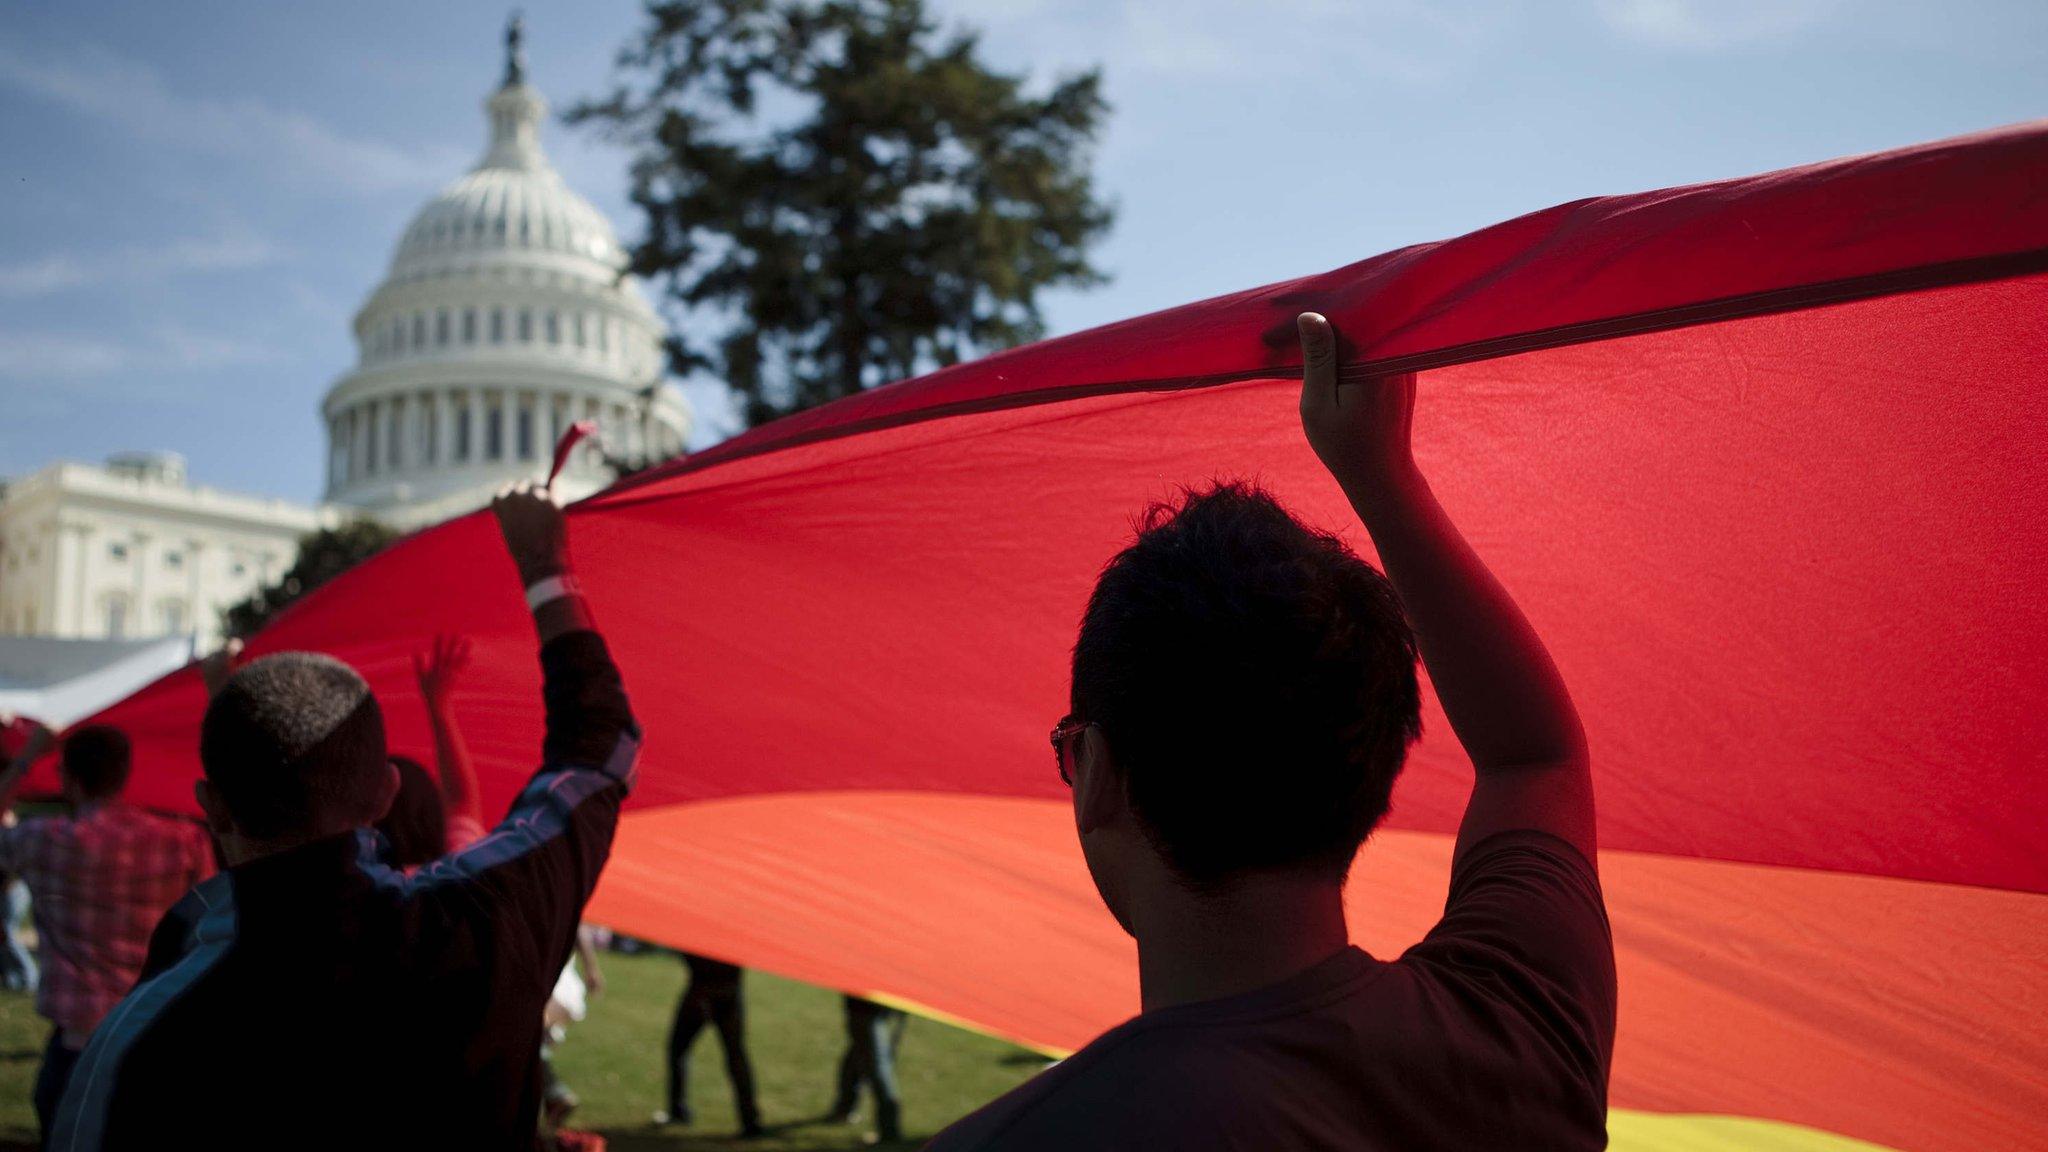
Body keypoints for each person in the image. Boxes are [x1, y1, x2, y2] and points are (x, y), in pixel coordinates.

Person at [928, 313, 1613, 1149]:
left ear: (1098, 768)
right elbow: (1532, 757)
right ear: (1370, 764)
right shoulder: (1519, 1035)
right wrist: (1383, 476)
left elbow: (1530, 757)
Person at [52, 482, 640, 1150]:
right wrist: (543, 566)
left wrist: (226, 694)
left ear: (212, 808)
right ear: (383, 794)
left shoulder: (139, 1038)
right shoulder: (480, 922)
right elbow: (598, 752)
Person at [0, 721, 215, 1146]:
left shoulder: (45, 841)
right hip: (155, 1033)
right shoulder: (182, 841)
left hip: (79, 1045)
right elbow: (209, 919)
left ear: (67, 777)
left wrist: (26, 758)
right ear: (125, 771)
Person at [657, 952, 764, 1138]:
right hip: (727, 990)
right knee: (735, 1055)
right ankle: (750, 1120)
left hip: (703, 991)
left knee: (679, 1049)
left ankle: (679, 1110)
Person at [829, 995, 904, 1144]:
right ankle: (844, 1109)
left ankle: (889, 1130)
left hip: (867, 1005)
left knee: (876, 1064)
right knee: (860, 1052)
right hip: (869, 1003)